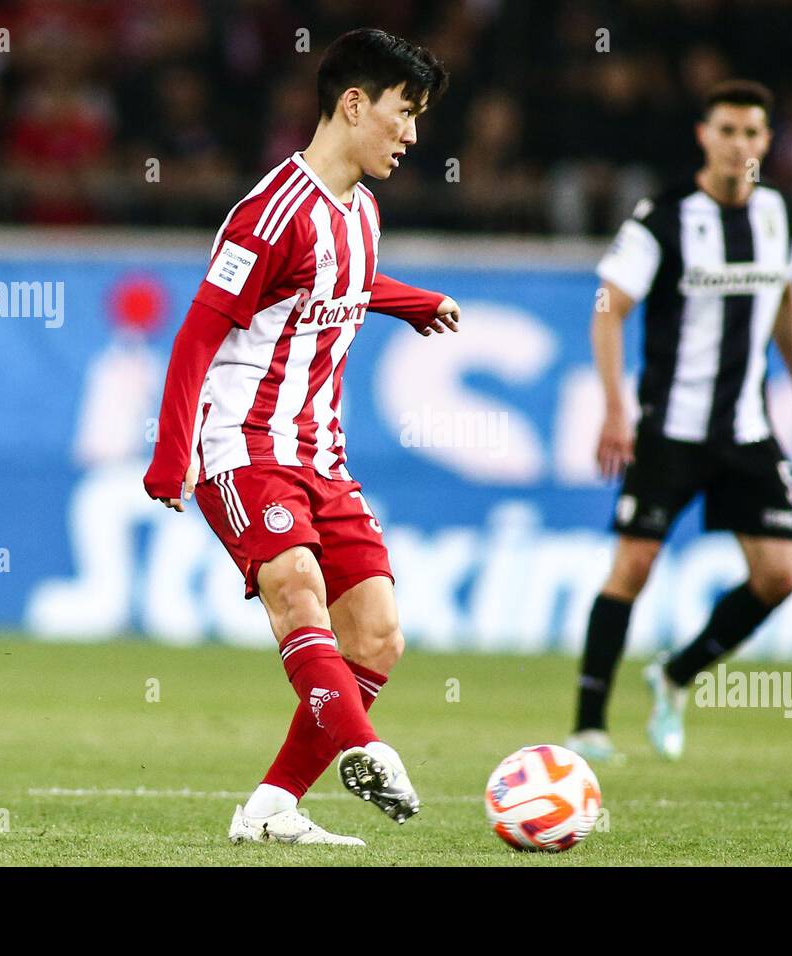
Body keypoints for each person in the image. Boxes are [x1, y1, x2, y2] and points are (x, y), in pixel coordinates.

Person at [143, 29, 457, 845]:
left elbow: (338, 281)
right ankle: (364, 747)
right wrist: (171, 455)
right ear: (354, 105)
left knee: (379, 634)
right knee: (295, 587)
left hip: (321, 453)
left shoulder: (362, 212)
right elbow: (197, 335)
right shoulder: (269, 212)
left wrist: (409, 301)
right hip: (242, 447)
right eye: (405, 112)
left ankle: (272, 806)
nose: (413, 135)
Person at [567, 80, 792, 762]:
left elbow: (784, 301)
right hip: (670, 428)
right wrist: (616, 408)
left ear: (768, 142)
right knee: (634, 564)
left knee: (780, 575)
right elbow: (608, 307)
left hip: (747, 427)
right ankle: (589, 725)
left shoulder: (783, 215)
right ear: (703, 136)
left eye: (753, 133)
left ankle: (676, 673)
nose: (741, 144)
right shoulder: (664, 217)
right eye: (728, 131)